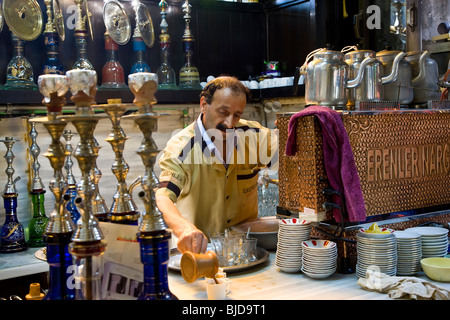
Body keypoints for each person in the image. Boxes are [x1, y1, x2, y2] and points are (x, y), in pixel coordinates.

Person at [155, 76, 278, 253]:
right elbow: (164, 197)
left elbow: (288, 155)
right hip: (199, 252)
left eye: (237, 115)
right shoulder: (183, 147)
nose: (229, 123)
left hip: (246, 251)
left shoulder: (253, 136)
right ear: (203, 104)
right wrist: (184, 228)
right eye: (223, 112)